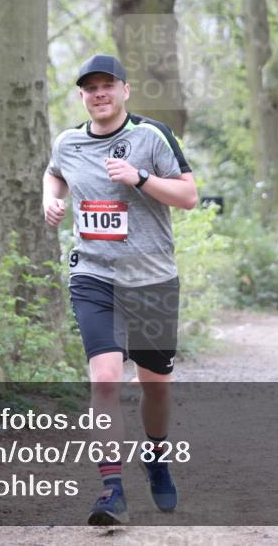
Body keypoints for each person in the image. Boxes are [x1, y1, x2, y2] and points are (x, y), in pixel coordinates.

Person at [42, 54, 198, 525]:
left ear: (125, 90)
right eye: (90, 88)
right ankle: (111, 490)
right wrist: (51, 198)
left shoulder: (151, 138)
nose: (99, 94)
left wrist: (141, 178)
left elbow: (189, 196)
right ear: (82, 96)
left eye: (107, 85)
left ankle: (155, 455)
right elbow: (55, 172)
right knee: (105, 377)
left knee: (155, 387)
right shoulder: (68, 142)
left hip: (151, 278)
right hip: (94, 275)